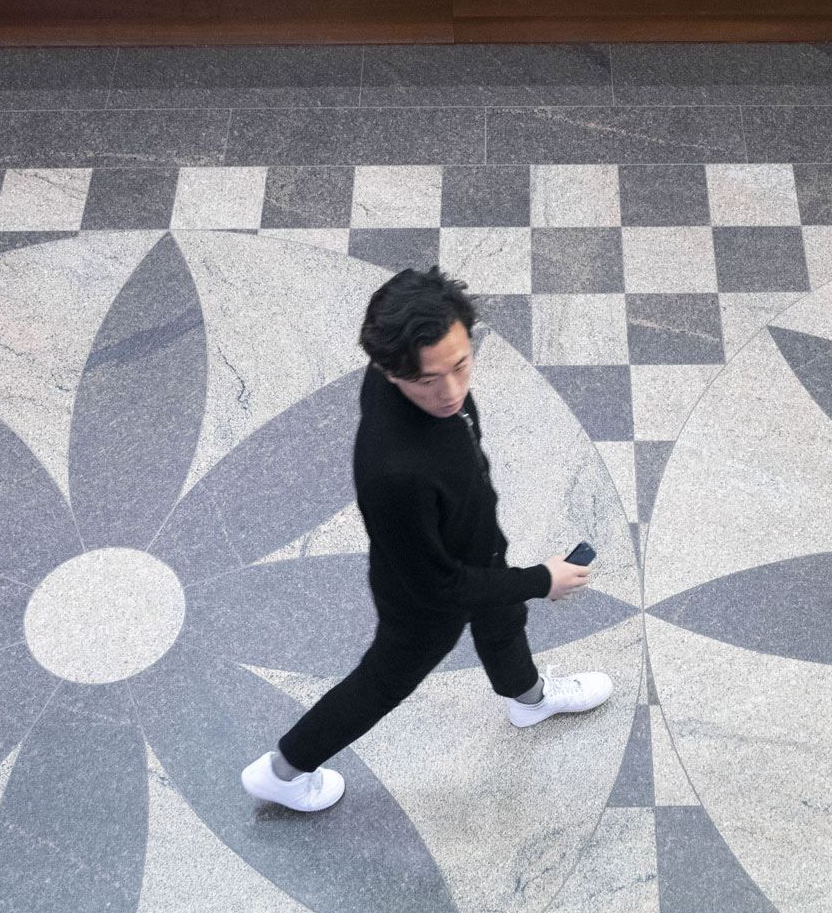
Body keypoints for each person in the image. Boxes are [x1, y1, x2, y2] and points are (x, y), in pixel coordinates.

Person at [243, 267, 610, 812]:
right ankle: (283, 770)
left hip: (475, 549)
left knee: (503, 620)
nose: (451, 392)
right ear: (388, 372)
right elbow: (439, 586)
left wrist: (508, 577)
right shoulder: (395, 472)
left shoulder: (413, 376)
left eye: (460, 366)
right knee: (383, 682)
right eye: (426, 381)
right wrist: (540, 580)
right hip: (424, 593)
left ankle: (528, 699)